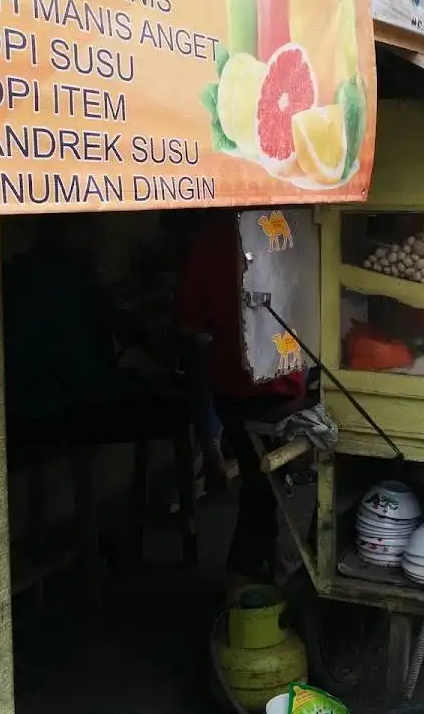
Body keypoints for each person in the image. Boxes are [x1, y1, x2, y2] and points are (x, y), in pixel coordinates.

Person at [176, 210, 306, 591]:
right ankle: (241, 580)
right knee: (261, 487)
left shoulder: (210, 237)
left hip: (232, 387)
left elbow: (189, 322)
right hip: (270, 391)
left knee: (261, 482)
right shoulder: (290, 228)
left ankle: (271, 561)